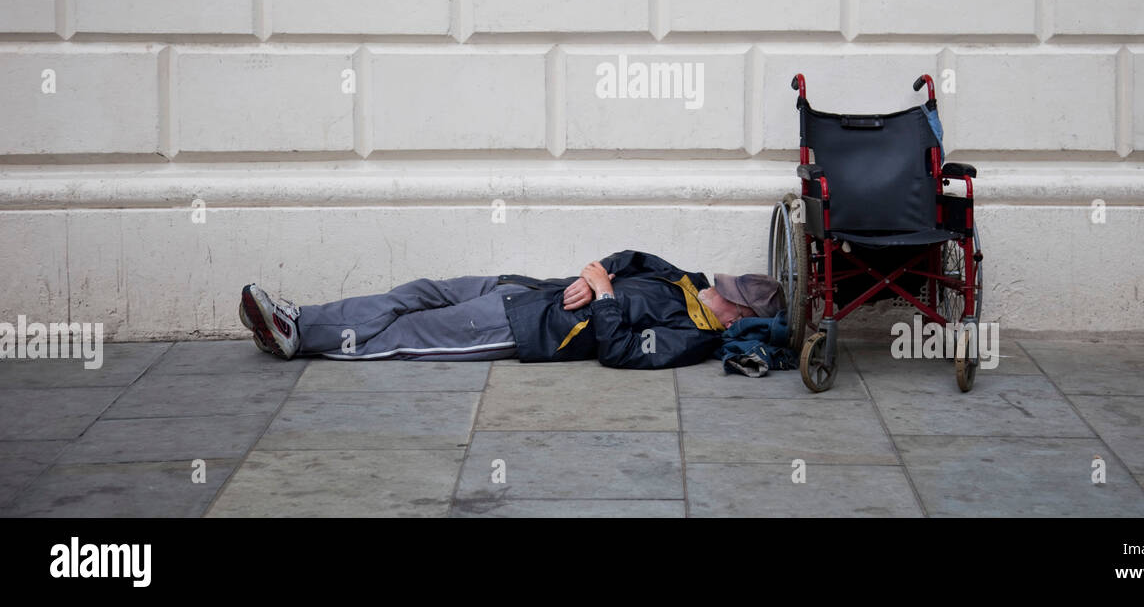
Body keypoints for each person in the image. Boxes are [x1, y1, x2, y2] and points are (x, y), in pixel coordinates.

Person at [239, 248, 784, 370]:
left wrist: (607, 295)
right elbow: (628, 255)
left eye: (725, 293)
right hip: (520, 287)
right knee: (418, 290)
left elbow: (618, 351)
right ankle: (301, 318)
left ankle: (298, 338)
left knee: (409, 334)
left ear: (734, 316)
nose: (715, 287)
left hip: (528, 326)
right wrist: (594, 275)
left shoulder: (691, 337)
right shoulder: (684, 279)